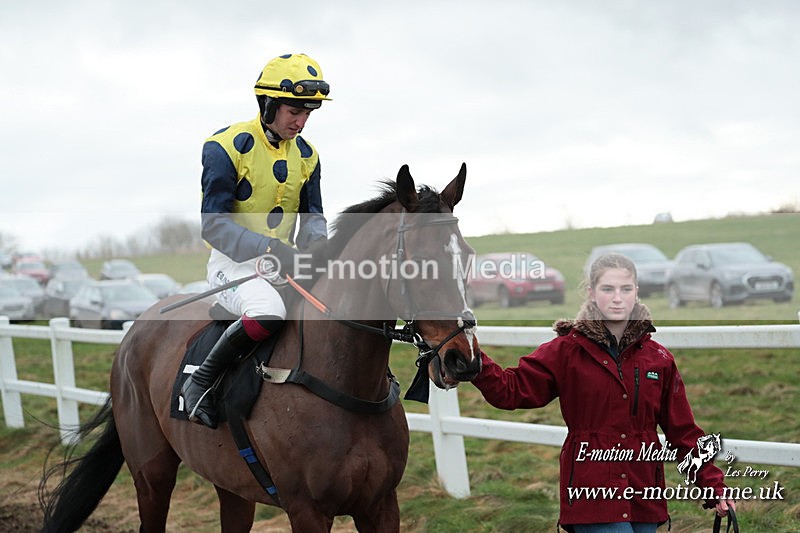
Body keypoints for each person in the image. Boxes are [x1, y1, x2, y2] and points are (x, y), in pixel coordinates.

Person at [471, 253, 735, 532]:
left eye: (626, 289)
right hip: (590, 495)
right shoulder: (566, 352)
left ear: (637, 292)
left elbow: (683, 432)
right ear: (592, 293)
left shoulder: (659, 359)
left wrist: (713, 486)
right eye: (608, 289)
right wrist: (472, 358)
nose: (617, 298)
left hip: (644, 495)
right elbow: (511, 390)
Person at [180, 53, 331, 428]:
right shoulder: (224, 146)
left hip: (287, 264)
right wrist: (269, 248)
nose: (302, 121)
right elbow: (213, 226)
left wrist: (319, 250)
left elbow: (312, 219)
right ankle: (199, 383)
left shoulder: (309, 156)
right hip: (234, 268)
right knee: (269, 313)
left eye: (308, 113)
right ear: (268, 103)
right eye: (294, 111)